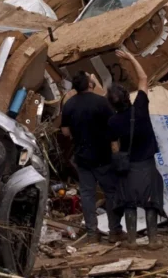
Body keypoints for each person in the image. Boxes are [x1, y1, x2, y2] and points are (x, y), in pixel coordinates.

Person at [108, 50, 166, 249]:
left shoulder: (113, 121)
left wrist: (118, 158)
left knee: (129, 202)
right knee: (151, 201)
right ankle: (152, 241)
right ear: (127, 96)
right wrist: (130, 57)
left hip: (129, 167)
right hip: (147, 164)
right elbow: (143, 78)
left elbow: (114, 147)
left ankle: (132, 240)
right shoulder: (140, 107)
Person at [60, 71, 124, 244]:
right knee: (111, 193)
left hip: (82, 157)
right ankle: (114, 231)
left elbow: (65, 131)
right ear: (89, 84)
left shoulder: (69, 105)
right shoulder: (102, 103)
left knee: (87, 195)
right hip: (103, 156)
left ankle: (91, 233)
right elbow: (114, 125)